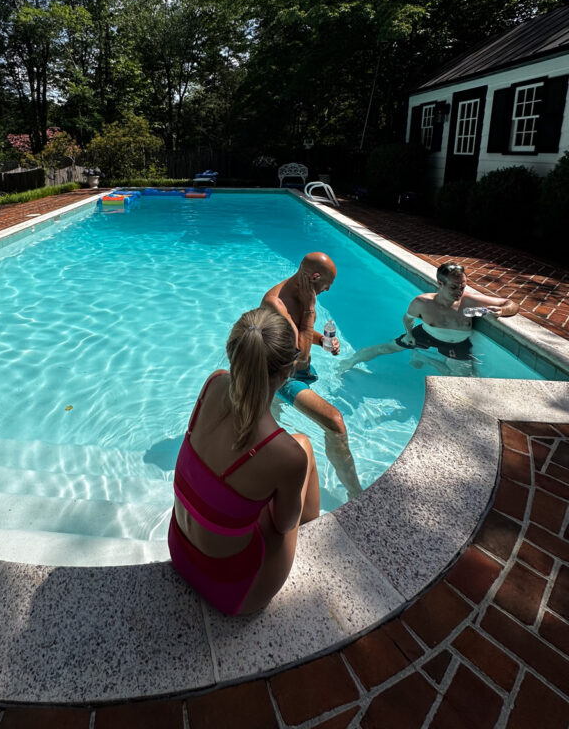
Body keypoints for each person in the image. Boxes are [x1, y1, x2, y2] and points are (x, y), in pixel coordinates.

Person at [168, 308, 320, 615]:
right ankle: (317, 538)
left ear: (232, 353)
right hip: (232, 590)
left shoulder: (213, 384)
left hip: (179, 551)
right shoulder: (285, 454)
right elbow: (283, 524)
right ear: (288, 371)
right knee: (304, 447)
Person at [261, 253, 362, 499]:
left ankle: (268, 444)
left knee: (273, 420)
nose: (327, 289)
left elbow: (299, 333)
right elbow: (301, 357)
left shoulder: (300, 293)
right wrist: (309, 310)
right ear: (315, 277)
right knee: (335, 423)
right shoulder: (275, 303)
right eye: (327, 284)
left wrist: (324, 340)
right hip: (282, 376)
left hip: (290, 368)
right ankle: (356, 494)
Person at [339, 261, 520, 373]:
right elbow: (408, 319)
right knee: (386, 348)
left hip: (457, 344)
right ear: (440, 283)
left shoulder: (470, 301)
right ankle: (349, 362)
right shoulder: (422, 303)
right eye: (454, 287)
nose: (460, 292)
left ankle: (425, 359)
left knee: (461, 377)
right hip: (426, 335)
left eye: (463, 287)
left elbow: (511, 303)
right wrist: (409, 334)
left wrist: (502, 311)